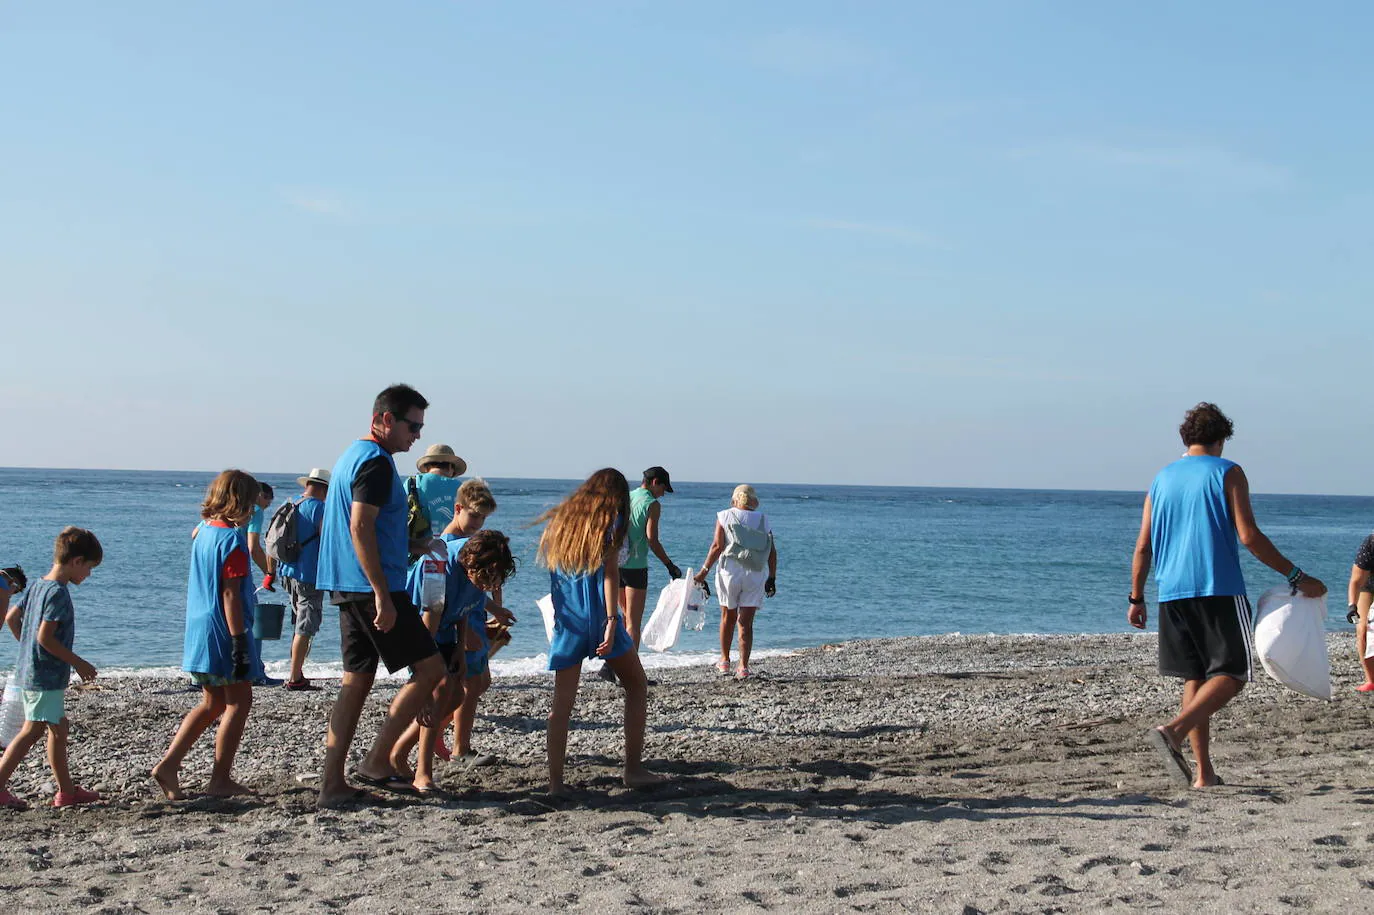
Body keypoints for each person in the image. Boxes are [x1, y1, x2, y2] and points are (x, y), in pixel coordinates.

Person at [1128, 403, 1326, 789]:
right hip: (1217, 587)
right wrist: (1296, 575)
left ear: (1186, 439)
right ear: (1220, 439)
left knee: (1196, 677)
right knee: (1234, 673)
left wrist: (1136, 597)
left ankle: (1204, 774)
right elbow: (1249, 536)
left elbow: (1142, 546)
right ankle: (1173, 730)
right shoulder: (1228, 472)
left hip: (1171, 592)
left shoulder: (1161, 479)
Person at [314, 383, 445, 808]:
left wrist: (414, 545)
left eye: (421, 426)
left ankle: (332, 784)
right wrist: (381, 594)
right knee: (431, 670)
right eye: (412, 425)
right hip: (373, 588)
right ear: (384, 419)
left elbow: (370, 527)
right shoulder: (375, 461)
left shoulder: (351, 456)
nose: (418, 435)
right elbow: (358, 526)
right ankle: (375, 761)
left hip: (345, 585)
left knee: (356, 682)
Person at [537, 468, 666, 796]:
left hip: (568, 619)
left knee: (561, 704)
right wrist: (612, 619)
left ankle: (555, 785)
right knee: (636, 684)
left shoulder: (561, 524)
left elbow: (556, 577)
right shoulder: (610, 523)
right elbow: (610, 573)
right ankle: (633, 770)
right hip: (598, 615)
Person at [152, 471, 262, 800]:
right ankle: (220, 778)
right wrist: (241, 641)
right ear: (240, 502)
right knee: (239, 702)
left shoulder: (202, 531)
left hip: (198, 628)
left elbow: (197, 533)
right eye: (252, 504)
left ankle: (169, 765)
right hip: (223, 631)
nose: (254, 511)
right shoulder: (233, 541)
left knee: (212, 702)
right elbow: (230, 595)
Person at [393, 527, 517, 793]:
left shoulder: (477, 571)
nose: (489, 586)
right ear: (469, 566)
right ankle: (422, 773)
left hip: (447, 625)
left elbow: (465, 606)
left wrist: (460, 648)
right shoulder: (439, 568)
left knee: (455, 697)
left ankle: (398, 753)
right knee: (437, 695)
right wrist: (425, 686)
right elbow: (428, 627)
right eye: (485, 580)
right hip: (415, 625)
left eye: (494, 581)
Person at [0, 529, 102, 810]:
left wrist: (27, 650)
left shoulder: (36, 585)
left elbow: (11, 617)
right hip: (45, 677)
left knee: (58, 728)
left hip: (31, 672)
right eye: (89, 569)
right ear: (77, 561)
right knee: (32, 730)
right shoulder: (57, 592)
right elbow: (45, 638)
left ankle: (67, 791)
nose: (88, 575)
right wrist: (78, 662)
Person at [599, 466, 680, 685]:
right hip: (636, 567)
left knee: (622, 617)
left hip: (616, 564)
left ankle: (610, 666)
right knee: (633, 623)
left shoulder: (627, 496)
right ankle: (629, 675)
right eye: (663, 487)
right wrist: (669, 565)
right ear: (655, 482)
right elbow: (652, 539)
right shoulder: (652, 504)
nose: (663, 492)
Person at [694, 484, 778, 680]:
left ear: (735, 499)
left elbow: (717, 547)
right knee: (746, 622)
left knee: (727, 617)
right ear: (753, 500)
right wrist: (772, 577)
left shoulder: (724, 516)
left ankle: (724, 661)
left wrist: (703, 572)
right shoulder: (764, 520)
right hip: (755, 573)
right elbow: (772, 551)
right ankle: (743, 666)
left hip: (729, 572)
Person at [278, 469, 330, 691]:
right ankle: (294, 677)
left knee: (299, 622)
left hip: (287, 571)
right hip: (308, 574)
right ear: (323, 488)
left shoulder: (291, 504)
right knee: (306, 626)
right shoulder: (320, 508)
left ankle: (296, 671)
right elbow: (328, 541)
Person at [246, 482, 282, 687]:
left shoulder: (229, 510)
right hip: (240, 572)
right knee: (253, 621)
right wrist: (269, 572)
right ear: (261, 496)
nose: (269, 504)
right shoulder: (255, 510)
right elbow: (253, 547)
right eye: (269, 498)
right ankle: (256, 672)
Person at [407, 444, 468, 540]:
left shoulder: (413, 483)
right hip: (455, 549)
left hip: (420, 549)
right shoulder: (463, 489)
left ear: (427, 467)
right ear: (450, 467)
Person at [1344, 534, 1374, 692]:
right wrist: (1352, 606)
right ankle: (1371, 680)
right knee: (1362, 629)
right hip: (1369, 588)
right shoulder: (1371, 543)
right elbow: (1356, 580)